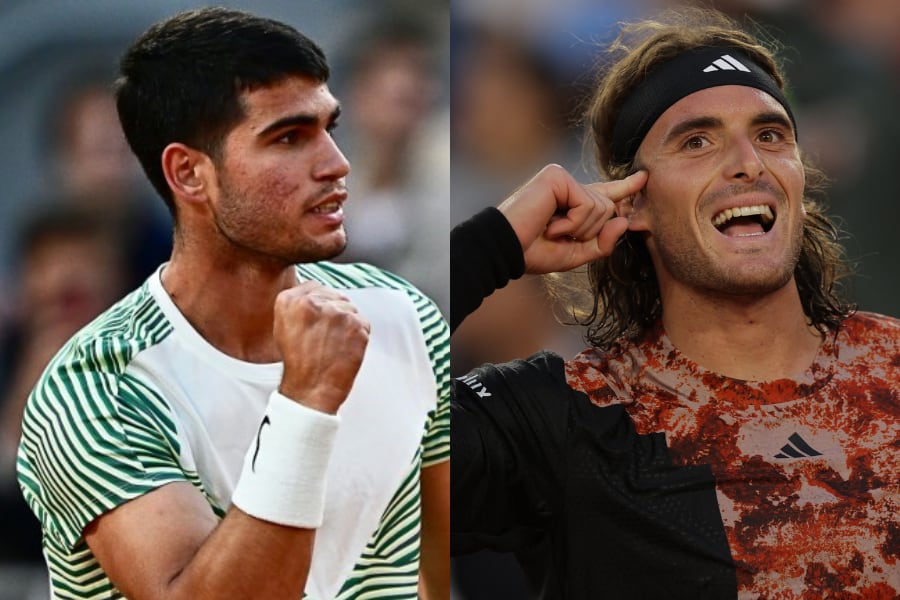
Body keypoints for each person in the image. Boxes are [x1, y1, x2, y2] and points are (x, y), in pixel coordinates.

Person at [450, 7, 898, 599]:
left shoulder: (891, 368)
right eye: (697, 141)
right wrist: (490, 247)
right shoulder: (566, 415)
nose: (748, 163)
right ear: (631, 203)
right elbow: (348, 449)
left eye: (770, 135)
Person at [16, 8, 449, 600]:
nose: (336, 164)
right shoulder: (96, 386)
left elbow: (443, 562)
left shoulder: (407, 315)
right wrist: (307, 401)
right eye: (289, 137)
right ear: (189, 173)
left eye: (330, 128)